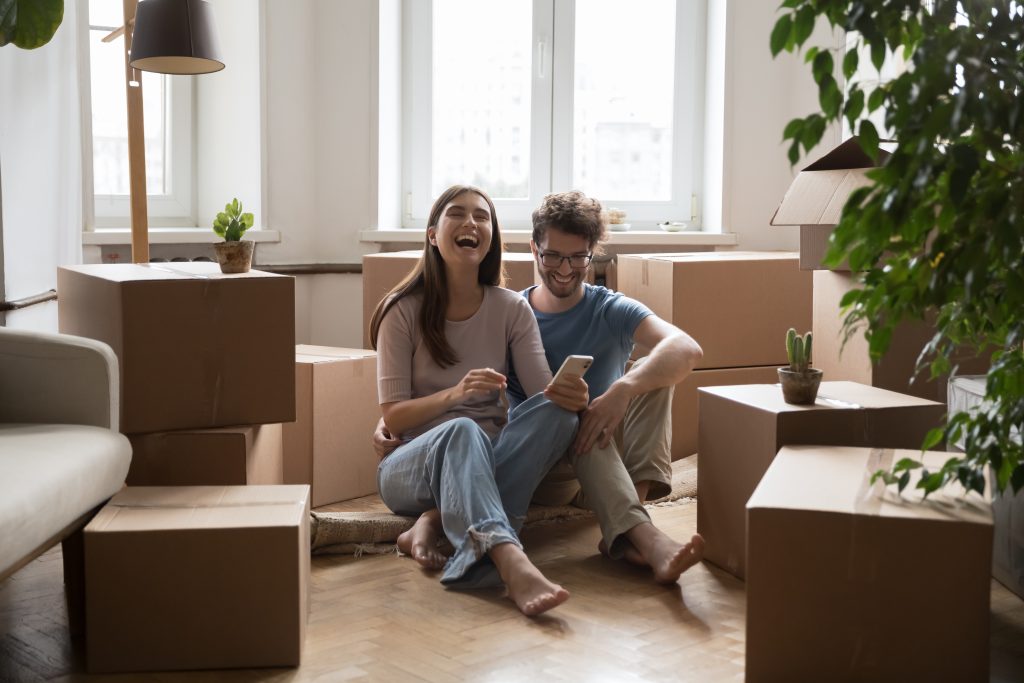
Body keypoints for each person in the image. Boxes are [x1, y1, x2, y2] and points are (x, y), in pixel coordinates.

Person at [369, 184, 588, 616]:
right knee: (463, 429)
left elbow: (544, 395)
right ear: (433, 234)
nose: (471, 223)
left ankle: (437, 523)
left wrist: (572, 395)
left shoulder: (510, 308)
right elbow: (393, 418)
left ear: (491, 238)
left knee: (559, 417)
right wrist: (455, 394)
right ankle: (510, 558)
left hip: (487, 459)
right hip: (410, 466)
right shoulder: (401, 311)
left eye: (482, 217)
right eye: (457, 213)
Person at [511, 190, 706, 584]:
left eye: (578, 257)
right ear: (534, 248)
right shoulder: (513, 312)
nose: (565, 269)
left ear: (592, 254)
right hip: (543, 473)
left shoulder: (610, 307)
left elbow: (686, 348)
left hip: (605, 473)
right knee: (569, 415)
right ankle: (644, 536)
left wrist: (621, 390)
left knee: (651, 372)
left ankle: (627, 524)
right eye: (552, 256)